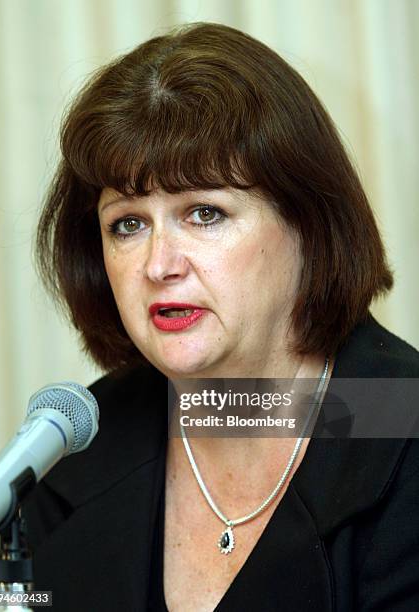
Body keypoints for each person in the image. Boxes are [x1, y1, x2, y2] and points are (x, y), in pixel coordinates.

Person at [23, 22, 419, 611]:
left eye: (205, 213)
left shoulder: (400, 426)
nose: (159, 264)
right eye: (128, 224)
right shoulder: (74, 455)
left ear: (307, 227)